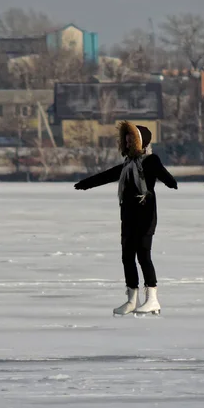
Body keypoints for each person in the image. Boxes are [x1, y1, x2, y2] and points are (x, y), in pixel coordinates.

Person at [74, 121, 178, 316]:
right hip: (129, 218)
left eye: (132, 139)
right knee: (127, 257)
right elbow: (107, 175)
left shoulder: (150, 161)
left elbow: (168, 178)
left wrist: (168, 180)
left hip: (145, 217)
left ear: (141, 142)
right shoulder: (127, 165)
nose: (128, 142)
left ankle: (153, 299)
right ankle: (132, 300)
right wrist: (85, 184)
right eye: (126, 139)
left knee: (143, 256)